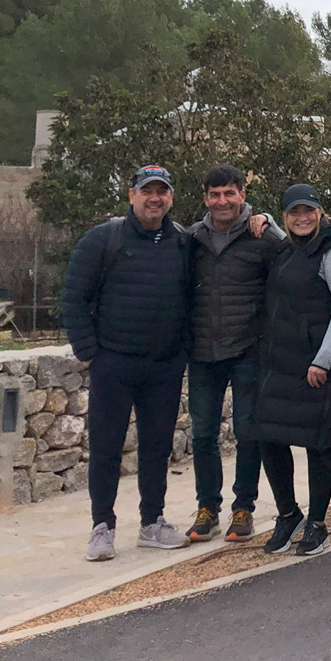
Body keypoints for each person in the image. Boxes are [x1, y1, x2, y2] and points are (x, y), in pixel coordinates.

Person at [59, 165, 193, 561]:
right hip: (113, 363)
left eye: (162, 191)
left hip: (164, 366)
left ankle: (152, 522)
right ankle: (102, 527)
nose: (155, 198)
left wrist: (181, 348)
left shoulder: (182, 242)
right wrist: (89, 351)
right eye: (147, 191)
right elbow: (73, 299)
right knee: (105, 449)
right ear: (132, 195)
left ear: (170, 197)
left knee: (156, 447)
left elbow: (192, 297)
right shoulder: (103, 239)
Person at [252, 184, 331, 557]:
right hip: (282, 360)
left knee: (318, 441)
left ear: (320, 211)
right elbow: (293, 250)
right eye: (294, 212)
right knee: (269, 435)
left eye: (308, 211)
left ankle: (317, 523)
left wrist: (323, 358)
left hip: (320, 363)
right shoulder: (288, 246)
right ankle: (288, 514)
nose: (302, 218)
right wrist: (264, 221)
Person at [183, 164, 281, 545]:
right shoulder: (191, 240)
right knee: (203, 433)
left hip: (248, 349)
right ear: (205, 198)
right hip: (203, 349)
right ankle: (207, 508)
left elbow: (290, 260)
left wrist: (270, 220)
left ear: (242, 194)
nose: (222, 201)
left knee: (247, 430)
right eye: (214, 194)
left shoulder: (262, 236)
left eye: (229, 193)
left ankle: (244, 508)